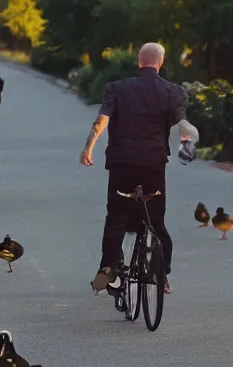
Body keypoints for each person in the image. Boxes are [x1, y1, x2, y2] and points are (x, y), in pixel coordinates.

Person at [79, 42, 199, 295]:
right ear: (161, 63)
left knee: (117, 217)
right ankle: (162, 273)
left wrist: (88, 148)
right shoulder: (172, 92)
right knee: (155, 220)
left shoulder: (117, 89)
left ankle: (108, 267)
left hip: (121, 163)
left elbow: (101, 121)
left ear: (138, 62)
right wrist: (189, 146)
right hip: (153, 165)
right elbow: (185, 126)